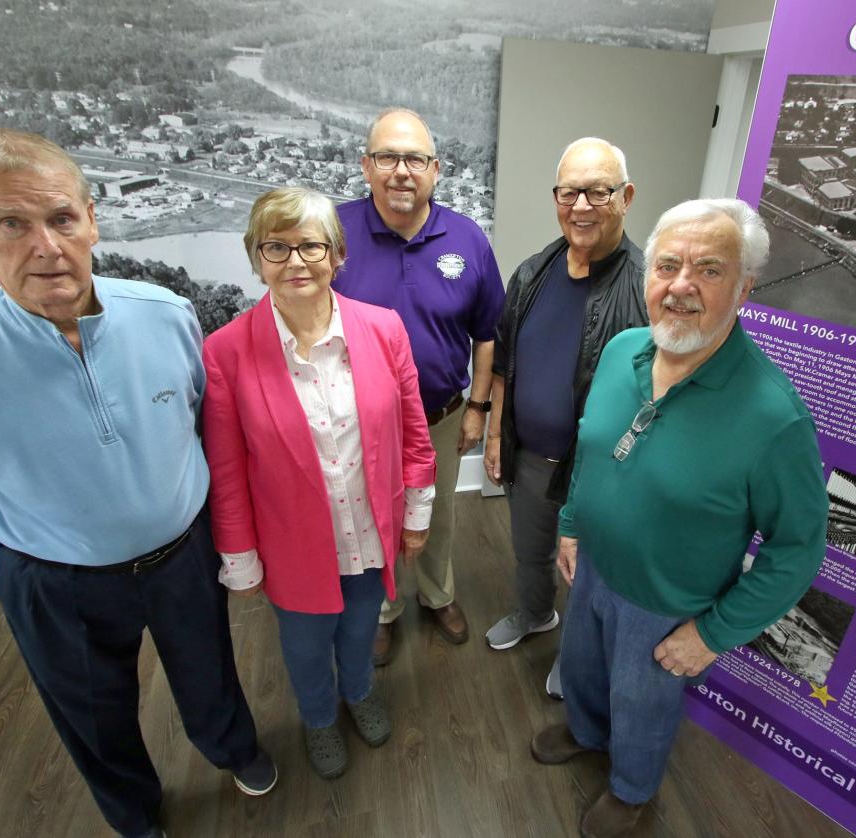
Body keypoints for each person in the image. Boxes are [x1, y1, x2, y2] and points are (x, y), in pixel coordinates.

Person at [0, 128, 274, 838]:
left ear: (91, 217)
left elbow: (194, 418)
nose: (46, 246)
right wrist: (57, 524)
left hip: (182, 554)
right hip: (54, 578)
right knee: (93, 712)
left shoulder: (167, 315)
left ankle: (233, 749)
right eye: (12, 223)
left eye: (61, 218)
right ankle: (133, 814)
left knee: (209, 669)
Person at [530, 198, 828, 838]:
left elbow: (797, 549)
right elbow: (592, 448)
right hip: (594, 566)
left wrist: (714, 634)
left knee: (641, 706)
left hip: (669, 604)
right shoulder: (621, 351)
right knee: (581, 666)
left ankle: (632, 789)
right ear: (647, 275)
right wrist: (573, 523)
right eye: (667, 266)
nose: (682, 286)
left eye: (709, 270)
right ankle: (585, 733)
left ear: (745, 287)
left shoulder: (773, 417)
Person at [201, 187, 436, 780]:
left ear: (336, 255)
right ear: (256, 259)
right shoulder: (225, 352)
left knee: (362, 627)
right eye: (276, 247)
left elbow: (413, 432)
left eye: (311, 245)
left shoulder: (383, 330)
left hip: (368, 530)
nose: (296, 261)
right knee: (305, 646)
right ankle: (318, 718)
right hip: (293, 544)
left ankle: (357, 693)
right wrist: (239, 554)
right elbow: (226, 469)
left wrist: (417, 510)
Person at [333, 107, 505, 663]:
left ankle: (437, 595)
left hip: (442, 413)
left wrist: (478, 407)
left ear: (436, 169)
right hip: (357, 421)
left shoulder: (468, 239)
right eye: (387, 157)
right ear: (367, 166)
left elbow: (487, 335)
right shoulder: (334, 232)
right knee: (371, 515)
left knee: (440, 515)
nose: (401, 171)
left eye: (415, 159)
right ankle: (384, 608)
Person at [483, 138, 647, 701]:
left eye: (597, 191)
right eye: (570, 191)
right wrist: (497, 434)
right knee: (530, 553)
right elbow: (504, 361)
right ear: (556, 198)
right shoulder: (532, 274)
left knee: (584, 573)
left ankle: (575, 654)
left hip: (598, 474)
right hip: (529, 456)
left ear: (625, 197)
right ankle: (533, 614)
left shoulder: (647, 288)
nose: (582, 205)